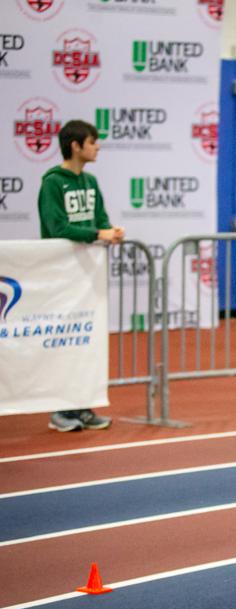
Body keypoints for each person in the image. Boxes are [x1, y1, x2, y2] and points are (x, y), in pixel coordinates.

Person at [38, 119, 125, 432]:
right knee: (63, 342)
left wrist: (110, 231)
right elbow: (57, 227)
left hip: (88, 276)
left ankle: (82, 405)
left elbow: (100, 218)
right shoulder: (52, 183)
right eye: (92, 141)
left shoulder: (90, 182)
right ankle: (60, 410)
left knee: (85, 343)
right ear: (75, 146)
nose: (97, 146)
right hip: (60, 274)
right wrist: (97, 233)